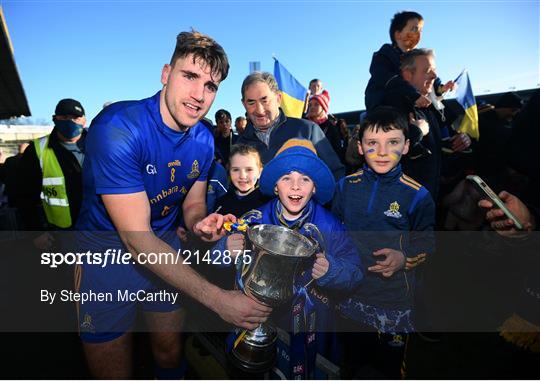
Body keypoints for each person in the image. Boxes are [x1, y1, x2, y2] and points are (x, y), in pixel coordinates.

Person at [75, 30, 271, 379]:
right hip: (105, 260)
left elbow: (193, 205)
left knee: (169, 354)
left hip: (165, 246)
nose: (199, 95)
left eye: (210, 86)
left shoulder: (203, 139)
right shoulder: (118, 129)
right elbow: (136, 240)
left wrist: (201, 225)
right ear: (166, 74)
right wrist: (217, 300)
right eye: (190, 76)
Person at [215, 138, 363, 378]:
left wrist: (331, 270)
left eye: (305, 179)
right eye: (287, 178)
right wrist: (225, 248)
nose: (295, 186)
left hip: (312, 325)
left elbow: (356, 274)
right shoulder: (254, 219)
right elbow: (213, 260)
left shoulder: (332, 227)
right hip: (258, 316)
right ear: (275, 186)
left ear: (314, 188)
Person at [332, 106, 435, 379]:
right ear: (360, 146)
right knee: (351, 365)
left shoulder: (418, 196)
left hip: (393, 303)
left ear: (406, 145)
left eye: (392, 142)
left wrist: (404, 258)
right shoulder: (344, 187)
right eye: (372, 143)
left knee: (388, 369)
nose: (382, 151)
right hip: (349, 299)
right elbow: (334, 233)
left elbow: (428, 243)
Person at [385, 48, 471, 200]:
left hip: (429, 200)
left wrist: (460, 141)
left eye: (434, 70)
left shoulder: (429, 110)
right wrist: (416, 131)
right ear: (407, 75)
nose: (435, 75)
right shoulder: (392, 109)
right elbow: (385, 155)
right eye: (427, 70)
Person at [237, 72, 345, 180]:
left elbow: (335, 174)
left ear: (278, 98)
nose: (259, 110)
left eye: (265, 100)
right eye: (251, 103)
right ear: (244, 104)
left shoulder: (307, 131)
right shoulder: (239, 146)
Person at [18, 98, 87, 248]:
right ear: (54, 119)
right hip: (61, 234)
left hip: (98, 226)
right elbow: (25, 196)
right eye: (64, 117)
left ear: (84, 121)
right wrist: (36, 232)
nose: (70, 122)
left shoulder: (99, 144)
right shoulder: (37, 150)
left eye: (75, 117)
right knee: (68, 270)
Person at [364, 11, 454, 112]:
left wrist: (442, 88)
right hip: (386, 108)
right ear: (398, 35)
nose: (419, 33)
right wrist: (413, 95)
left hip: (411, 107)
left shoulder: (418, 57)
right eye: (414, 29)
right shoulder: (384, 55)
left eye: (420, 30)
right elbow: (390, 80)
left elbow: (429, 81)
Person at [213, 144, 268, 217]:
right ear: (229, 172)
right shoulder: (221, 203)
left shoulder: (267, 204)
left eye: (249, 169)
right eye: (236, 170)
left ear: (260, 172)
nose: (242, 176)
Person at [306, 91, 344, 164]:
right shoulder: (304, 125)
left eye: (316, 104)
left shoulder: (332, 128)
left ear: (324, 108)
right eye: (310, 105)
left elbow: (337, 154)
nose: (312, 107)